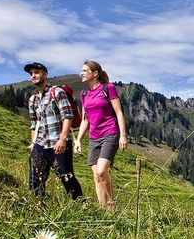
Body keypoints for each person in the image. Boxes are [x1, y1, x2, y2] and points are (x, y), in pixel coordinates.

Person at [26, 62, 83, 201]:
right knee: (36, 177)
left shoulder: (57, 92)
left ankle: (81, 204)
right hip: (40, 143)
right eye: (31, 73)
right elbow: (34, 124)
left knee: (66, 176)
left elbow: (67, 116)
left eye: (37, 72)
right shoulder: (32, 99)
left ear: (45, 75)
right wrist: (33, 144)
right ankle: (38, 205)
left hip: (58, 142)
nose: (33, 75)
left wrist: (63, 139)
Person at [74, 60, 127, 208]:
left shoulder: (108, 88)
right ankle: (104, 210)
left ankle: (112, 204)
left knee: (102, 170)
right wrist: (78, 140)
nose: (82, 73)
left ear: (95, 73)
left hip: (110, 133)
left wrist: (122, 135)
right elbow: (85, 120)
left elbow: (118, 112)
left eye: (85, 71)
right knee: (97, 176)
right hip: (94, 138)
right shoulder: (84, 94)